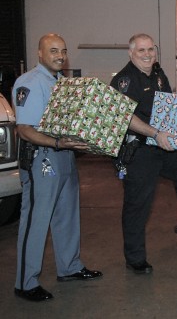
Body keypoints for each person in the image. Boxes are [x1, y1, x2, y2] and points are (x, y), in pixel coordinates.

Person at [110, 33, 177, 275]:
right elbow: (125, 118)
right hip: (138, 151)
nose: (148, 54)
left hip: (160, 144)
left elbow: (168, 105)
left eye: (151, 49)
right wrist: (155, 132)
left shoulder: (158, 74)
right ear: (131, 53)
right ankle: (135, 258)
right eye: (141, 50)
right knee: (138, 205)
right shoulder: (123, 81)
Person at [12, 33, 103, 302]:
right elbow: (25, 130)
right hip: (42, 158)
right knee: (36, 221)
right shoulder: (28, 83)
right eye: (53, 51)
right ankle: (25, 283)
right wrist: (58, 142)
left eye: (62, 51)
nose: (59, 55)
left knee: (67, 215)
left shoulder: (63, 84)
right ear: (40, 54)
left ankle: (69, 267)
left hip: (64, 155)